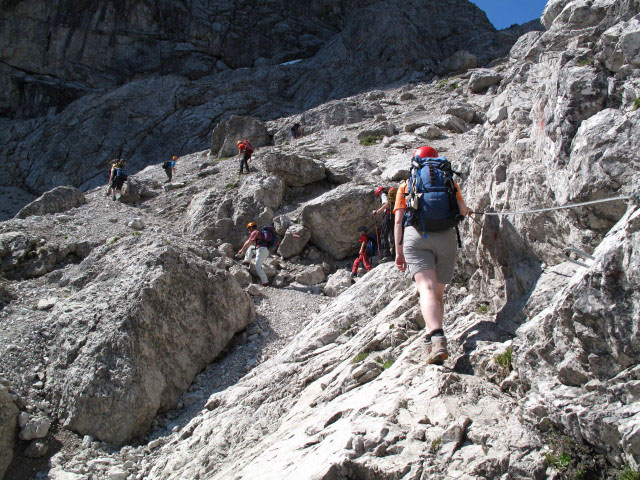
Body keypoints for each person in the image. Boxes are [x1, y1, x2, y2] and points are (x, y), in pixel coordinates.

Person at [393, 146, 470, 365]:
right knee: (438, 293)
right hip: (445, 237)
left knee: (425, 288)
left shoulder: (406, 185)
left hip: (415, 236)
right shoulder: (448, 181)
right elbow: (462, 210)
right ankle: (431, 340)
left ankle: (436, 335)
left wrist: (399, 253)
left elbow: (398, 221)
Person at [238, 222, 270, 286]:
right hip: (262, 250)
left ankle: (265, 282)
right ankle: (247, 261)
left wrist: (242, 249)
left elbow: (248, 242)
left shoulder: (255, 232)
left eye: (249, 229)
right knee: (251, 248)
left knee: (258, 267)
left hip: (261, 250)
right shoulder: (258, 232)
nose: (249, 231)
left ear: (251, 228)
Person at [372, 186, 397, 259]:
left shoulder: (383, 195)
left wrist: (377, 211)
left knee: (383, 235)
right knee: (392, 234)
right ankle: (395, 253)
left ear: (378, 192)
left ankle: (386, 254)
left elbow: (387, 204)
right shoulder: (388, 195)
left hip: (387, 215)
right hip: (393, 215)